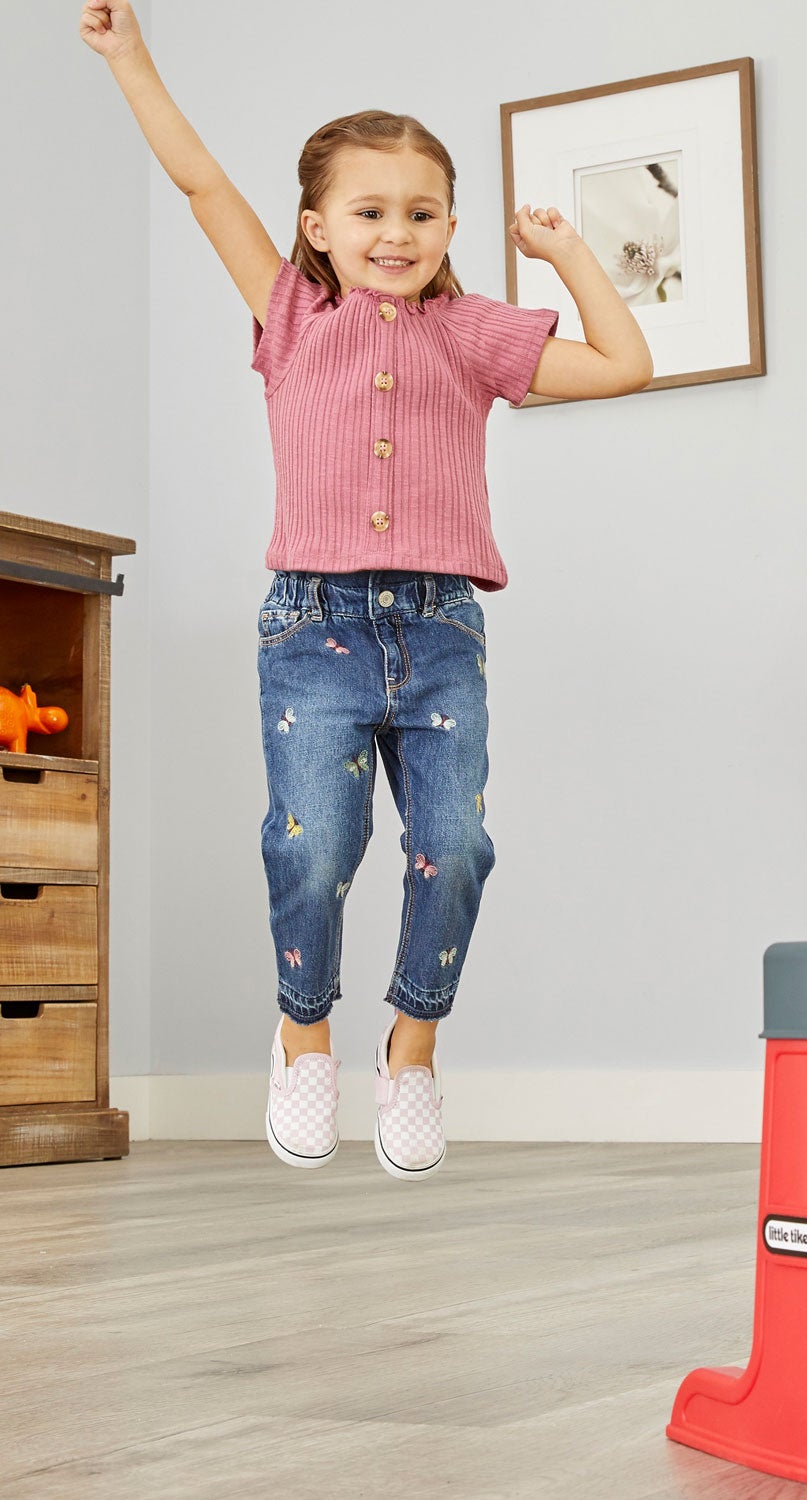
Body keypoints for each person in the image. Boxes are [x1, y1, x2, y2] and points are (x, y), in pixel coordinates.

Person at [81, 0, 652, 1179]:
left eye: (422, 211)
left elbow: (623, 365)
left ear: (450, 222)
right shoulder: (290, 312)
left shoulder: (475, 333)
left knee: (458, 842)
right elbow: (199, 187)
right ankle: (304, 1038)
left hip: (441, 626)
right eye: (371, 211)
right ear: (318, 227)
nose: (398, 232)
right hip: (313, 625)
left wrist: (569, 256)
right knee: (312, 844)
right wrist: (132, 58)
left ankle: (413, 1051)